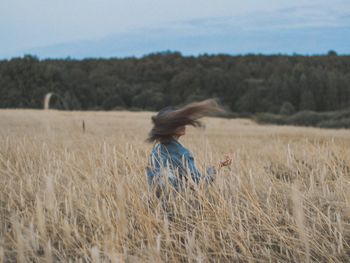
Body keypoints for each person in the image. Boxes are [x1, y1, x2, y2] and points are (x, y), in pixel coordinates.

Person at [146, 99, 232, 196]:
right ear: (168, 127)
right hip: (179, 207)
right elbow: (199, 184)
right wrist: (215, 169)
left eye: (183, 122)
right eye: (178, 123)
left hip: (159, 207)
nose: (183, 125)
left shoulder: (156, 152)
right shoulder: (181, 154)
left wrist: (219, 165)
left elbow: (156, 186)